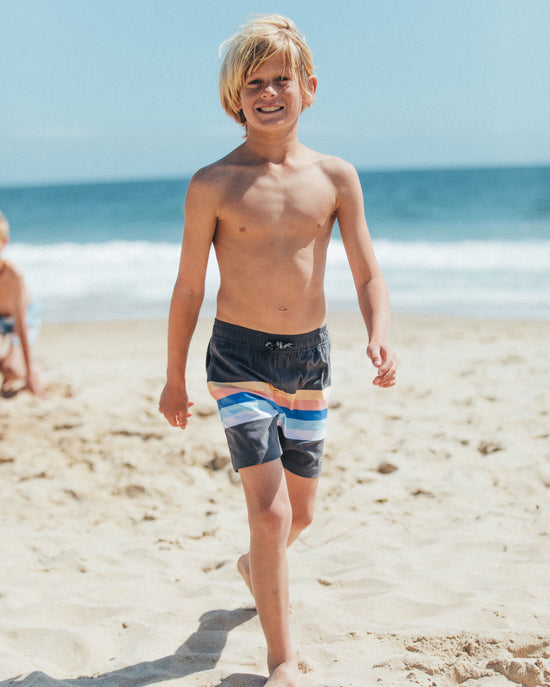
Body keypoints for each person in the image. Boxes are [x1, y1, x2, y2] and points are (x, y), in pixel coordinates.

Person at [159, 14, 397, 686]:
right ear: (234, 97)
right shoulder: (213, 183)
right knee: (270, 512)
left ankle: (254, 565)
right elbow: (188, 287)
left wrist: (378, 331)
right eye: (254, 83)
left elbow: (367, 273)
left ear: (308, 88)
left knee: (301, 513)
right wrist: (174, 376)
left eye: (281, 79)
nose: (269, 92)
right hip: (237, 359)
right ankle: (282, 661)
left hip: (308, 360)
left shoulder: (335, 177)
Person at [0, 211, 44, 397]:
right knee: (8, 367)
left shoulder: (14, 276)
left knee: (13, 370)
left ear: (4, 242)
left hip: (24, 318)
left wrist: (29, 377)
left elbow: (21, 327)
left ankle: (31, 371)